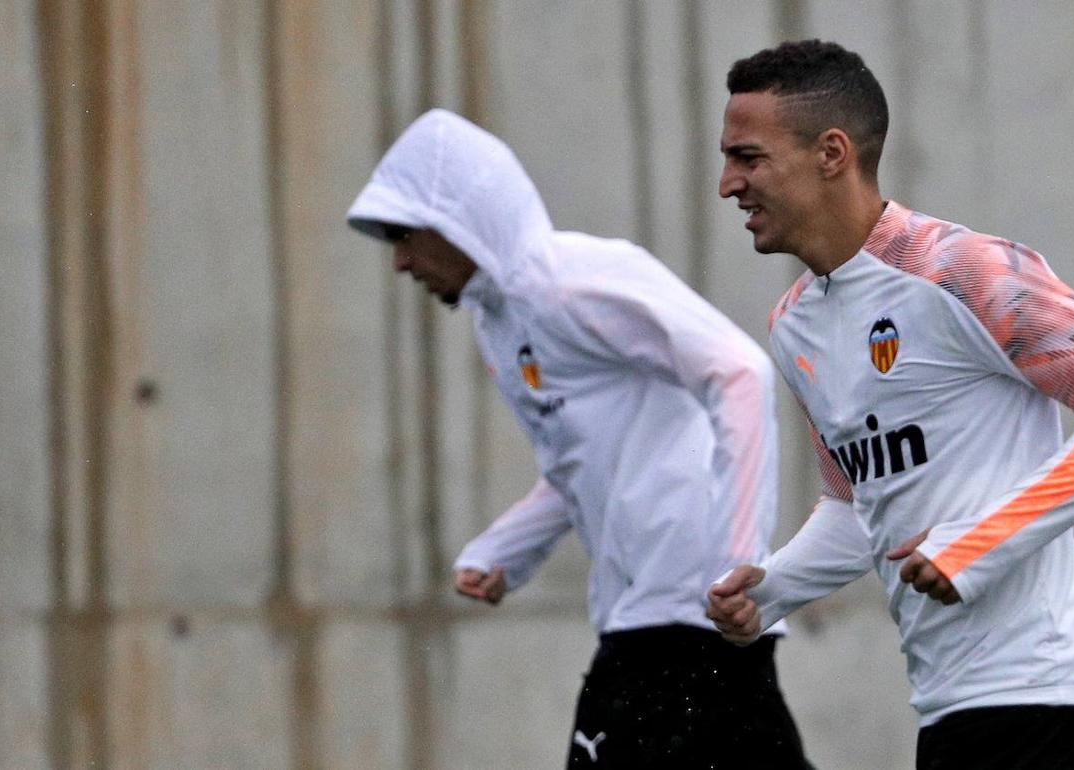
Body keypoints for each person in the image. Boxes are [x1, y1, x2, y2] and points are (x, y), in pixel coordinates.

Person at [706, 39, 1074, 769]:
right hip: (954, 706)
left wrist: (978, 545)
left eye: (748, 157)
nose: (727, 184)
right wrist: (773, 590)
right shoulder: (794, 323)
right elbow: (854, 504)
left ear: (831, 152)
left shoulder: (963, 271)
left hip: (1050, 692)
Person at [347, 109, 813, 769]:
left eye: (404, 234)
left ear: (457, 221)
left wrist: (738, 564)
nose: (399, 261)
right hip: (666, 621)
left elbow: (739, 374)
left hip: (679, 620)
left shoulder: (570, 281)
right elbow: (581, 465)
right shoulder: (502, 322)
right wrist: (506, 548)